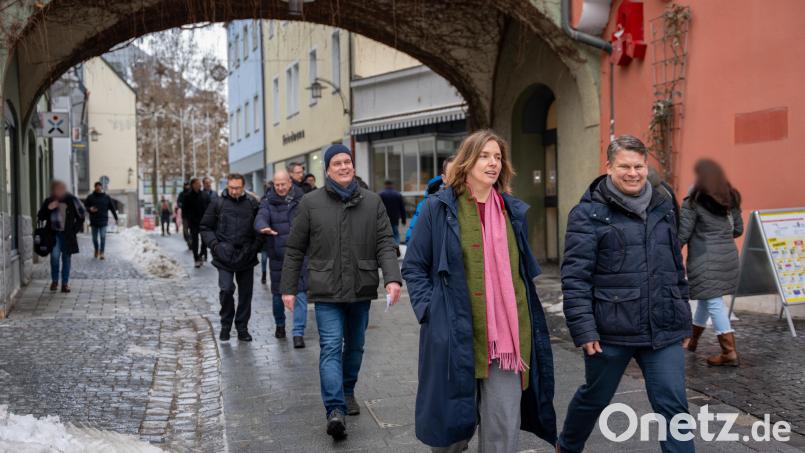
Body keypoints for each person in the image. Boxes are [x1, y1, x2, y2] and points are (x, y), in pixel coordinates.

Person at [402, 130, 556, 452]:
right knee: (451, 433)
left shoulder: (511, 212)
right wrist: (430, 311)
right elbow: (414, 266)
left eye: (498, 157)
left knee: (503, 426)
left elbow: (520, 274)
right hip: (455, 333)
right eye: (484, 156)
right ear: (467, 161)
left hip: (506, 339)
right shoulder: (438, 209)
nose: (493, 163)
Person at [558, 135, 692, 453]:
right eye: (625, 166)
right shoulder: (588, 213)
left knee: (674, 406)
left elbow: (675, 266)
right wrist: (584, 329)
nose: (633, 173)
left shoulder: (663, 205)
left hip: (663, 327)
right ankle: (568, 445)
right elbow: (575, 278)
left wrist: (683, 316)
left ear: (647, 166)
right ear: (608, 167)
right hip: (610, 331)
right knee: (595, 398)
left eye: (639, 166)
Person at [280, 144, 402, 440]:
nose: (344, 167)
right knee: (332, 346)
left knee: (356, 346)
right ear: (328, 169)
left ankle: (347, 391)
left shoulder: (373, 202)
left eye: (348, 161)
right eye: (337, 163)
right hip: (326, 291)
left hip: (361, 287)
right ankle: (335, 410)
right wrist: (288, 288)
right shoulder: (310, 203)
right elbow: (295, 249)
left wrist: (392, 279)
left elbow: (385, 242)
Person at [679, 159, 743, 367]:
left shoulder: (693, 199)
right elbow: (738, 230)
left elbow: (683, 233)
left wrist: (669, 252)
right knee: (707, 299)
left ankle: (729, 352)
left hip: (704, 259)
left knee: (714, 302)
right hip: (728, 257)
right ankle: (692, 341)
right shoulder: (730, 196)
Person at [201, 173, 263, 342]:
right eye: (231, 188)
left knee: (245, 295)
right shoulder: (217, 203)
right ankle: (226, 324)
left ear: (244, 187)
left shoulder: (252, 204)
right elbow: (205, 227)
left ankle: (242, 327)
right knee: (226, 289)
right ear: (227, 186)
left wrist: (254, 248)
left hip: (246, 255)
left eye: (238, 188)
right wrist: (215, 245)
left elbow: (260, 227)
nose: (234, 191)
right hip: (223, 256)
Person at [254, 170, 309, 347]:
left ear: (290, 183)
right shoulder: (267, 201)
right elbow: (260, 217)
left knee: (300, 294)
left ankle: (298, 333)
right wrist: (263, 227)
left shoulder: (302, 199)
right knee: (278, 296)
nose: (279, 188)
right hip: (278, 256)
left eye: (282, 184)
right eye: (276, 184)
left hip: (299, 254)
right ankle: (280, 324)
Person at [38, 180, 85, 293]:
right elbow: (40, 216)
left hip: (67, 235)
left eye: (61, 188)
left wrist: (74, 230)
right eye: (57, 188)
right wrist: (48, 208)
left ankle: (65, 284)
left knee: (66, 259)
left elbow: (82, 214)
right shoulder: (49, 200)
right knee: (54, 257)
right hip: (53, 234)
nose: (59, 191)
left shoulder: (72, 199)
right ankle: (55, 281)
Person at [405, 155, 455, 243]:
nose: (457, 179)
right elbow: (413, 240)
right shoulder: (428, 204)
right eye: (452, 175)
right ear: (444, 178)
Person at [84, 181, 119, 260]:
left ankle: (102, 252)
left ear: (102, 187)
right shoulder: (90, 197)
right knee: (94, 239)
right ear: (95, 187)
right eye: (97, 186)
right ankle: (96, 250)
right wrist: (90, 209)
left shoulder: (106, 197)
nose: (98, 187)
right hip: (94, 221)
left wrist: (116, 218)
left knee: (103, 237)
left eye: (99, 186)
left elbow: (112, 208)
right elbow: (84, 206)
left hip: (103, 221)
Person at [183, 178, 210, 268]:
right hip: (193, 222)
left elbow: (209, 207)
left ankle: (201, 253)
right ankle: (196, 258)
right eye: (198, 183)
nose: (200, 185)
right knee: (195, 241)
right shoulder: (187, 196)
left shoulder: (205, 195)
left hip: (204, 222)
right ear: (193, 184)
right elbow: (184, 210)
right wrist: (187, 220)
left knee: (205, 240)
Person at [379, 180, 406, 245]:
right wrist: (403, 220)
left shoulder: (381, 194)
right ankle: (396, 248)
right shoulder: (397, 194)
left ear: (385, 185)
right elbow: (402, 208)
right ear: (392, 185)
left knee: (385, 234)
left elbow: (378, 208)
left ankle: (387, 248)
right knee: (395, 233)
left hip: (384, 218)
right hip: (395, 218)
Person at [201, 177, 219, 261]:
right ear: (203, 184)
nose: (208, 184)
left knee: (214, 237)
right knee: (204, 238)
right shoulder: (201, 194)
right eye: (206, 183)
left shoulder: (215, 194)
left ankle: (213, 253)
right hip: (204, 218)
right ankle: (203, 253)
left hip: (214, 218)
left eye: (209, 183)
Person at [177, 182, 192, 249]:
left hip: (192, 215)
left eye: (188, 185)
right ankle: (188, 240)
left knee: (192, 230)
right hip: (185, 215)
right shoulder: (181, 194)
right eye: (186, 185)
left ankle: (191, 242)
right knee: (185, 231)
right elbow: (178, 202)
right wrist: (181, 205)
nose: (187, 186)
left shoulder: (193, 193)